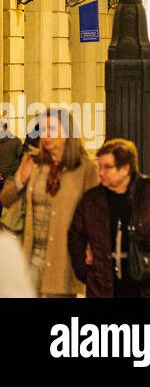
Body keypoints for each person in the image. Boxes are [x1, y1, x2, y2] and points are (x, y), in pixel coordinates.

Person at [68, 139, 150, 298]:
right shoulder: (92, 199)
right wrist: (84, 271)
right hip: (104, 284)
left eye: (107, 167)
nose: (101, 173)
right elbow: (75, 234)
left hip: (147, 281)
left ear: (125, 168)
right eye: (100, 167)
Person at [0, 109, 98, 296]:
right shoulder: (34, 162)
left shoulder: (85, 168)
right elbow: (5, 198)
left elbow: (95, 215)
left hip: (63, 258)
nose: (46, 135)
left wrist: (91, 247)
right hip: (30, 256)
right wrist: (21, 178)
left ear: (68, 132)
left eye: (52, 129)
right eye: (43, 130)